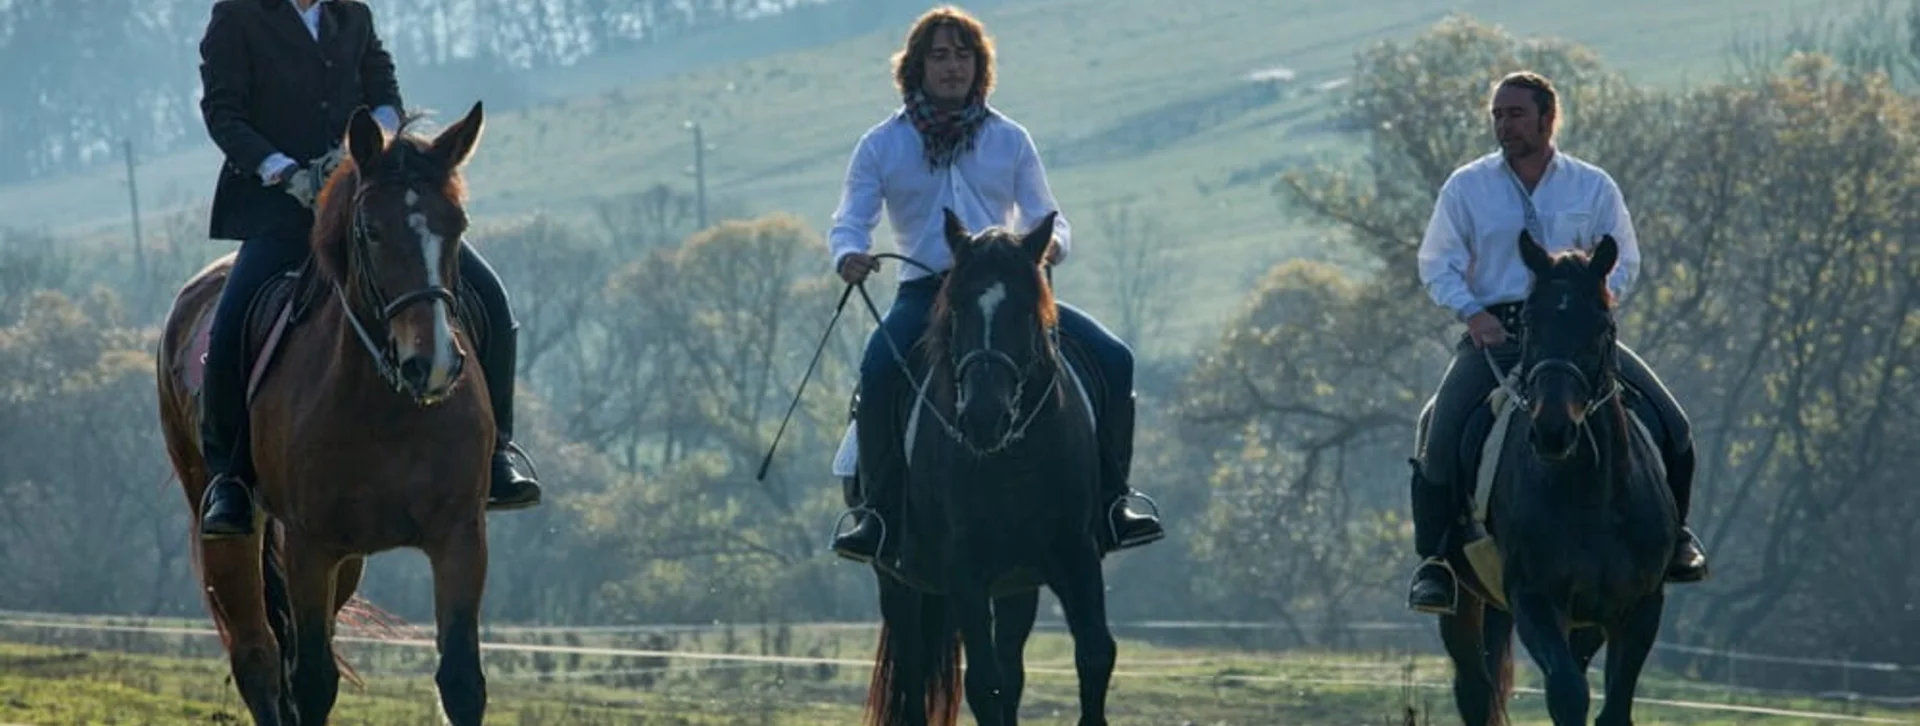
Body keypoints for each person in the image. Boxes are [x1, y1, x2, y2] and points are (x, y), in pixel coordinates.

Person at [825, 5, 1164, 562]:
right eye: (940, 56)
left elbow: (1048, 214)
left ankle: (1111, 503)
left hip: (1010, 295)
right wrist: (849, 255)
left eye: (964, 56)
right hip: (926, 294)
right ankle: (879, 517)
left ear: (979, 66)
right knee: (878, 371)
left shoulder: (1010, 139)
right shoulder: (882, 144)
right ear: (916, 67)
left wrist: (1051, 245)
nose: (952, 67)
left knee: (1114, 358)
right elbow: (849, 221)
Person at [194, 0, 542, 540]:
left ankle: (499, 453)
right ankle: (231, 479)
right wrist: (286, 172)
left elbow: (385, 96)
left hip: (371, 198)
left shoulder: (352, 14)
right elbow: (224, 114)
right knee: (232, 321)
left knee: (491, 300)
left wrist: (363, 153)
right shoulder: (238, 16)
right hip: (280, 206)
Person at [1405, 70, 1709, 613]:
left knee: (1675, 425)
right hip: (1497, 335)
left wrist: (1594, 303)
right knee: (1439, 431)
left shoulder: (1592, 186)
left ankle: (1676, 540)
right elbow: (1436, 262)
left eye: (1516, 114)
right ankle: (1435, 564)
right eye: (1498, 115)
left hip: (1576, 340)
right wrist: (1473, 314)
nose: (1505, 125)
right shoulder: (1467, 187)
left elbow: (1625, 259)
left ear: (1548, 118)